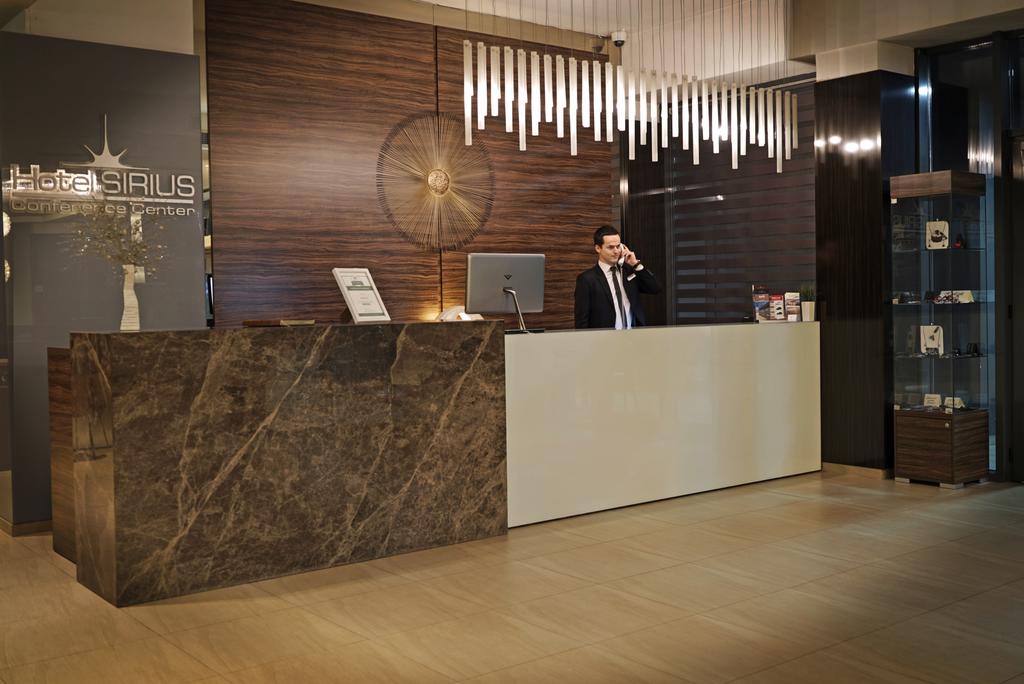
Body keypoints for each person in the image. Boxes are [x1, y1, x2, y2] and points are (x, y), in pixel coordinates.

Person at [574, 225, 661, 329]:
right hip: (604, 337)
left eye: (618, 246)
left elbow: (655, 288)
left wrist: (635, 264)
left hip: (633, 335)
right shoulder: (587, 279)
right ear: (598, 248)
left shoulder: (628, 271)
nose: (616, 251)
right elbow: (581, 321)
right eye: (610, 247)